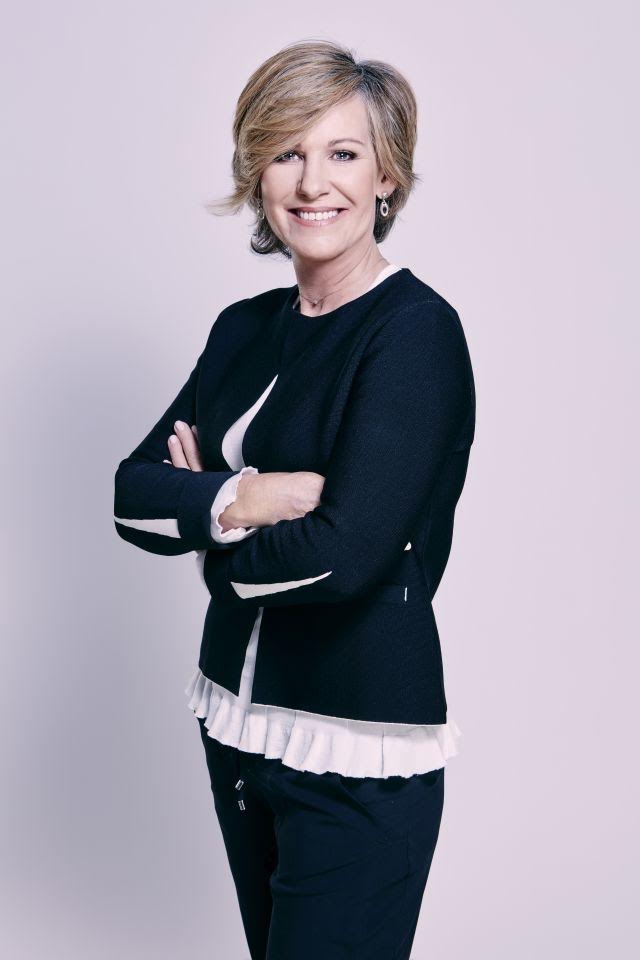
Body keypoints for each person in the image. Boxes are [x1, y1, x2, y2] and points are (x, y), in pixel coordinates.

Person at [114, 38, 476, 960]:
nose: (314, 182)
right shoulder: (243, 331)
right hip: (234, 727)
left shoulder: (415, 334)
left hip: (353, 747)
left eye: (343, 153)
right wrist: (248, 496)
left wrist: (207, 529)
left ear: (386, 175)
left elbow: (343, 556)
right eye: (286, 152)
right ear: (258, 176)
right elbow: (130, 496)